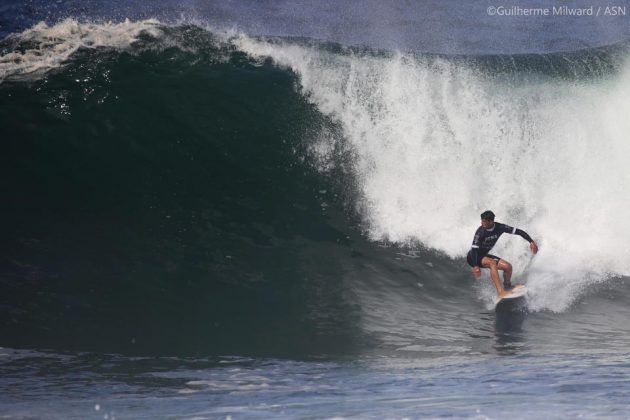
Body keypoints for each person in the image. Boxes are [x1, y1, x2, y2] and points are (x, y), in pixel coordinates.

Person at [467, 210, 538, 298]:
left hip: (484, 256)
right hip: (473, 257)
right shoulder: (480, 232)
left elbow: (518, 231)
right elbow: (474, 250)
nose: (482, 223)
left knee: (508, 267)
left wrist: (531, 241)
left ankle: (507, 287)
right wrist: (475, 266)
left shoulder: (500, 227)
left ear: (491, 221)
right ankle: (500, 292)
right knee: (492, 262)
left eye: (484, 221)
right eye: (482, 220)